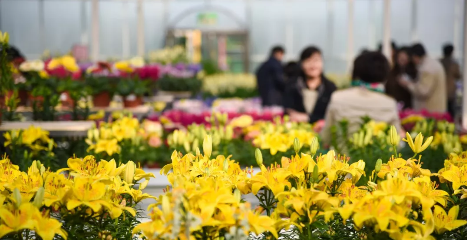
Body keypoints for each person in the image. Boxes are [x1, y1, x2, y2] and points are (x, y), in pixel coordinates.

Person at [320, 51, 402, 146]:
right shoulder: (389, 103)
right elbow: (396, 142)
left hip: (341, 159)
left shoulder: (337, 97)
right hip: (376, 159)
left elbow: (325, 137)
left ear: (356, 71)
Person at [284, 46, 337, 123]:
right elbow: (288, 111)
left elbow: (333, 114)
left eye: (316, 60)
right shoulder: (292, 85)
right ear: (301, 64)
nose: (313, 66)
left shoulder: (330, 87)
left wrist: (309, 118)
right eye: (308, 61)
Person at [398, 43, 447, 113]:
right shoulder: (433, 63)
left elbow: (423, 91)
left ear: (415, 56)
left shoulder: (427, 68)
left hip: (430, 111)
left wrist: (407, 84)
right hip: (436, 110)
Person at [440, 44, 461, 118]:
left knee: (442, 112)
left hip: (441, 91)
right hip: (450, 92)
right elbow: (458, 75)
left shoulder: (440, 62)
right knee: (451, 113)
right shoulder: (453, 63)